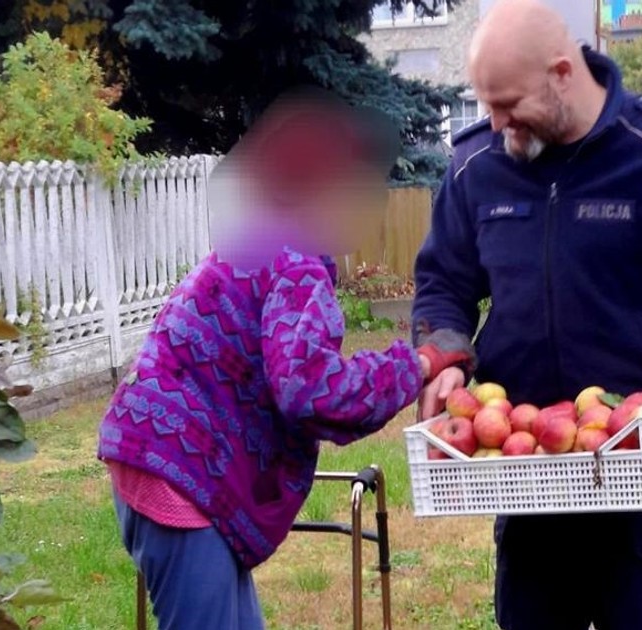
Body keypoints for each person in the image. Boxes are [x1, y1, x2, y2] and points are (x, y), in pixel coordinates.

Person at [409, 1, 642, 628]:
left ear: (562, 73)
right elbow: (444, 281)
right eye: (485, 105)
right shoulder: (478, 165)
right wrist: (445, 352)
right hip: (524, 471)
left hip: (639, 472)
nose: (496, 123)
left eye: (507, 104)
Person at [96, 87, 475, 630]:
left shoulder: (257, 245)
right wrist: (416, 366)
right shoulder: (293, 261)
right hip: (180, 478)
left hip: (162, 466)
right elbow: (311, 390)